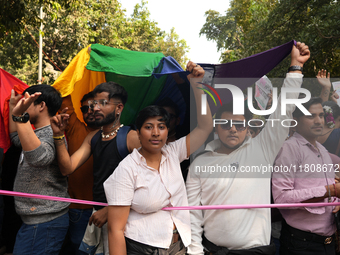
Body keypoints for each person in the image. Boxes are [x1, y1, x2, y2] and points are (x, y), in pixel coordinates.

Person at [186, 42, 310, 255]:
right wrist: (195, 251)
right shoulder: (199, 164)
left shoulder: (262, 149)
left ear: (248, 127)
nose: (232, 129)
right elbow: (192, 215)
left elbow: (284, 110)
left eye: (239, 124)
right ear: (216, 127)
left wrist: (295, 67)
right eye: (225, 124)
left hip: (259, 251)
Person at [103, 61, 212, 255]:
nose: (155, 133)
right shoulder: (127, 169)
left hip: (179, 245)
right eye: (148, 127)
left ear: (167, 130)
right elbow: (116, 230)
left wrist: (197, 84)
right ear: (137, 133)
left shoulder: (172, 152)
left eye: (161, 127)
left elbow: (204, 127)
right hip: (143, 248)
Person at [51, 81, 141, 254]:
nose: (95, 108)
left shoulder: (131, 138)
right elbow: (67, 168)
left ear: (119, 108)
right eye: (93, 104)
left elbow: (150, 181)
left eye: (103, 103)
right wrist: (58, 135)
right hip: (99, 215)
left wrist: (111, 210)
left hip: (125, 219)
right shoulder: (93, 137)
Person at [272, 97, 340, 255]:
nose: (318, 121)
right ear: (295, 121)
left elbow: (330, 192)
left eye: (321, 115)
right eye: (311, 116)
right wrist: (331, 191)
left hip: (328, 242)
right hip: (301, 244)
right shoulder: (289, 149)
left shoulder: (322, 150)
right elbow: (282, 198)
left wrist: (336, 200)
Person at [9, 85, 69, 255]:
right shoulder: (37, 133)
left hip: (45, 222)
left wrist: (19, 116)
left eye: (26, 102)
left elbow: (39, 158)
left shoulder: (51, 133)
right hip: (36, 222)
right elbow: (16, 138)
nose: (22, 105)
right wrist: (13, 109)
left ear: (41, 105)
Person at [59, 92, 99, 255]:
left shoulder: (117, 134)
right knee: (78, 249)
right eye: (85, 108)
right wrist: (72, 73)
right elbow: (64, 100)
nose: (89, 111)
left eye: (93, 107)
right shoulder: (76, 127)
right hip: (78, 209)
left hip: (106, 209)